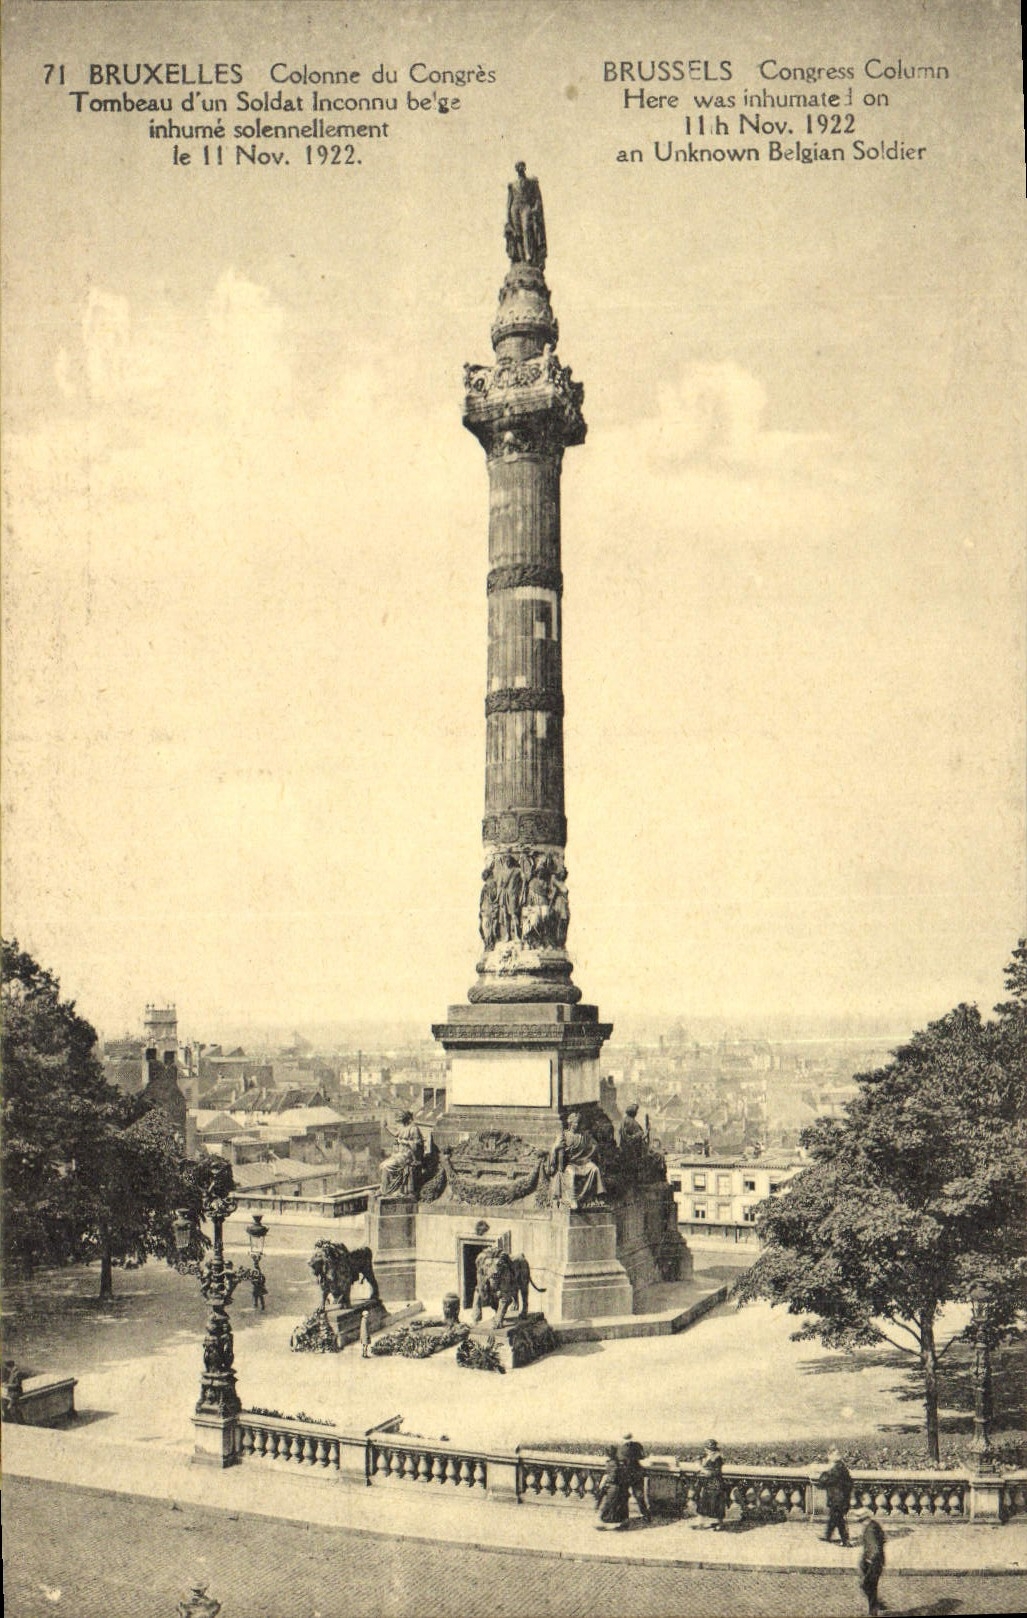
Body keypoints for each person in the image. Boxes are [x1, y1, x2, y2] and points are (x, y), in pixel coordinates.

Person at [819, 1447, 853, 1545]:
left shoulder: (836, 1468)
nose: (829, 1456)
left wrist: (824, 1472)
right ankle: (829, 1536)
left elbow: (823, 1481)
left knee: (838, 1519)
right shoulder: (841, 1467)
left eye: (832, 1454)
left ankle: (845, 1540)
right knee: (834, 1518)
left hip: (838, 1498)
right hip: (839, 1497)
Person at [855, 1510, 886, 1615]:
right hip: (875, 1560)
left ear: (866, 1519)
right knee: (868, 1585)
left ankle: (874, 1610)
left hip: (873, 1562)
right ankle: (876, 1605)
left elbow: (875, 1547)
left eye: (861, 1520)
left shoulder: (870, 1529)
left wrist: (870, 1559)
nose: (861, 1523)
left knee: (868, 1585)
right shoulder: (875, 1525)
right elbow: (883, 1539)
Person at [616, 1434, 652, 1523]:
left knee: (624, 1496)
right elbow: (642, 1457)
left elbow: (619, 1459)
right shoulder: (638, 1446)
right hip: (636, 1473)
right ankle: (645, 1515)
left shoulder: (621, 1448)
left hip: (625, 1474)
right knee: (639, 1495)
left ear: (622, 1438)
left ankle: (624, 1516)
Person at [695, 1439, 728, 1529]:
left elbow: (716, 1472)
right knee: (703, 1503)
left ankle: (720, 1524)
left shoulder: (717, 1458)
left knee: (717, 1504)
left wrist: (703, 1470)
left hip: (716, 1484)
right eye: (707, 1448)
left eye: (709, 1449)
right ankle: (701, 1523)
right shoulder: (706, 1457)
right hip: (707, 1484)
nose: (707, 1450)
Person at [595, 1446, 628, 1530]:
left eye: (609, 1452)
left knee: (609, 1505)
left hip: (613, 1486)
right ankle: (619, 1524)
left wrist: (605, 1485)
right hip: (615, 1486)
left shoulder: (613, 1463)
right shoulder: (615, 1462)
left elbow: (612, 1477)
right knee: (613, 1506)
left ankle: (606, 1524)